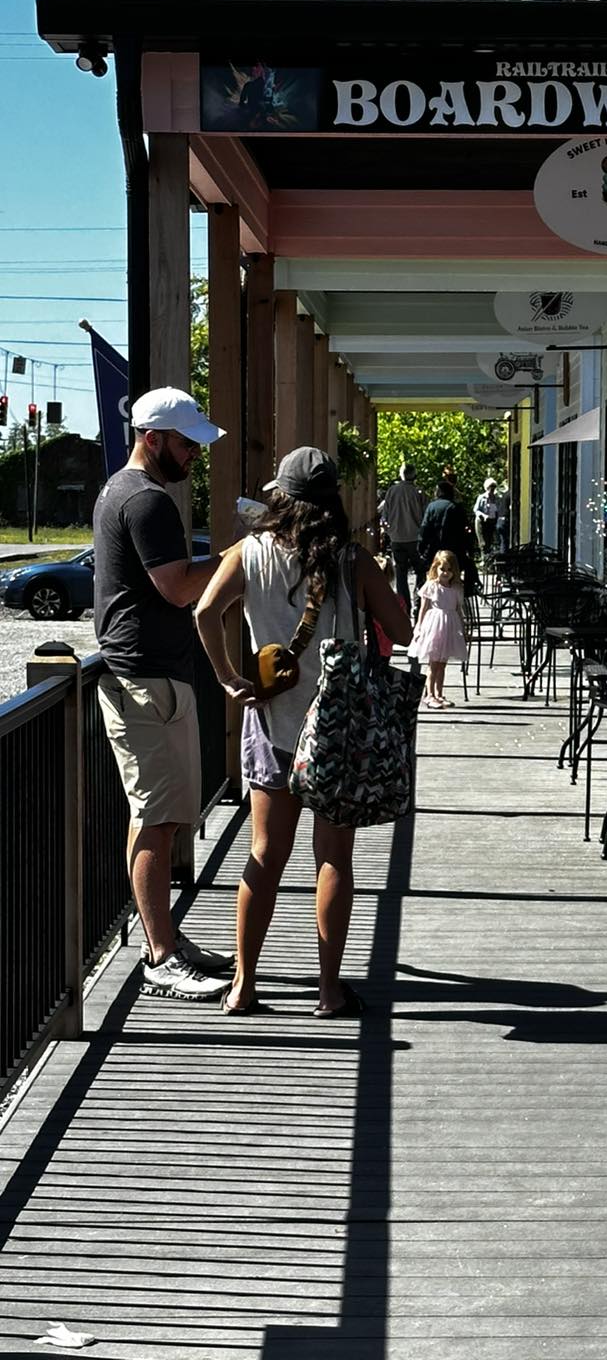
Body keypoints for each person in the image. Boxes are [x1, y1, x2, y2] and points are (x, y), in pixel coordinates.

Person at [195, 447, 412, 1017]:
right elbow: (402, 629)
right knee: (333, 856)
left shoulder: (249, 553)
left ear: (281, 498)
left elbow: (204, 612)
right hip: (339, 730)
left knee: (265, 853)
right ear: (332, 501)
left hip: (271, 720)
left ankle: (243, 985)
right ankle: (328, 989)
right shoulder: (353, 559)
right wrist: (383, 583)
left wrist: (229, 678)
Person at [93, 386, 235, 1002]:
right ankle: (159, 957)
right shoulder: (147, 500)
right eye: (186, 444)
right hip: (145, 680)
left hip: (146, 676)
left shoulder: (118, 491)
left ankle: (167, 941)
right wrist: (236, 557)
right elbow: (178, 590)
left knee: (162, 817)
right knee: (155, 820)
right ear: (152, 437)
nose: (194, 456)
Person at [407, 549, 468, 710]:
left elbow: (458, 610)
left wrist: (463, 627)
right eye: (443, 569)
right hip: (434, 626)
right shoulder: (432, 586)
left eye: (449, 570)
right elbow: (423, 608)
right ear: (436, 568)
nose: (446, 573)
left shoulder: (455, 588)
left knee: (443, 663)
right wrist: (419, 626)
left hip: (450, 626)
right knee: (433, 663)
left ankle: (439, 693)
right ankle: (429, 694)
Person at [378, 463, 426, 619]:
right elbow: (426, 516)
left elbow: (384, 515)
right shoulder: (419, 492)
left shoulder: (392, 491)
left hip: (397, 538)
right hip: (415, 538)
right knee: (420, 571)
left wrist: (388, 531)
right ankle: (418, 602)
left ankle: (404, 606)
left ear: (401, 474)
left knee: (401, 574)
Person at [418, 478, 472, 576]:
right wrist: (467, 549)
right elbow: (465, 530)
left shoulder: (432, 506)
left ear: (439, 491)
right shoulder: (456, 507)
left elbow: (425, 528)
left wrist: (421, 547)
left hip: (435, 548)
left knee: (435, 574)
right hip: (454, 549)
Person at [473, 478, 499, 555]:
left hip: (491, 522)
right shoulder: (481, 498)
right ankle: (483, 559)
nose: (492, 489)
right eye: (491, 487)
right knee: (483, 543)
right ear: (487, 488)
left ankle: (488, 559)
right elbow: (476, 510)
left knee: (489, 541)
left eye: (494, 487)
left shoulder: (496, 498)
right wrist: (483, 516)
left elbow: (497, 510)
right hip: (481, 522)